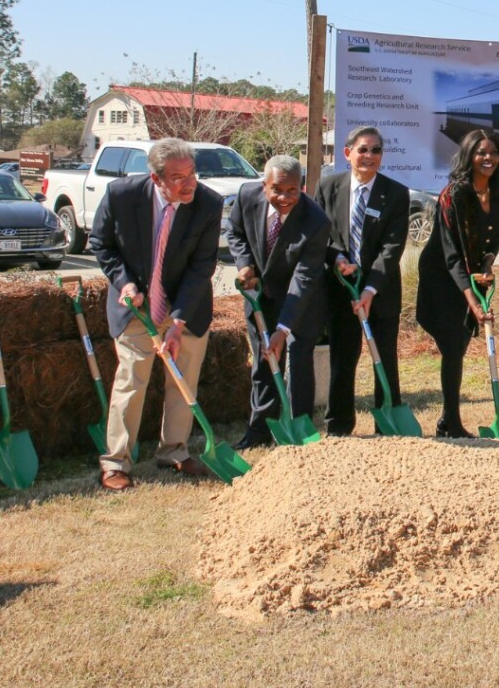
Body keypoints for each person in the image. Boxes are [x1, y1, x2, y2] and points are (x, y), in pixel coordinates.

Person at [88, 138, 223, 490]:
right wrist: (125, 284)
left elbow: (201, 267)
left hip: (187, 307)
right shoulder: (121, 195)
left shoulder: (208, 203)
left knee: (183, 381)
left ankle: (174, 451)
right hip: (136, 306)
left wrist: (177, 322)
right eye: (177, 177)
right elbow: (102, 244)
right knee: (132, 380)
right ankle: (116, 461)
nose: (189, 182)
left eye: (191, 173)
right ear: (155, 178)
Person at [227, 154, 330, 449]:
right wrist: (245, 264)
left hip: (302, 300)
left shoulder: (315, 221)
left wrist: (283, 329)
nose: (284, 198)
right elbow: (234, 232)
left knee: (298, 359)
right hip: (260, 298)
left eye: (292, 191)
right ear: (264, 186)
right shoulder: (246, 196)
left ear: (302, 187)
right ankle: (259, 431)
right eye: (277, 190)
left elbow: (305, 277)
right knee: (263, 363)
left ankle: (299, 428)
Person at [315, 126, 409, 436]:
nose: (369, 156)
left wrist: (370, 289)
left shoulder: (396, 193)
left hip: (380, 292)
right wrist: (337, 259)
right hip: (341, 291)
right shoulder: (327, 188)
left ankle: (388, 422)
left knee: (384, 358)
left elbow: (392, 247)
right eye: (363, 149)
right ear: (348, 153)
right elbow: (321, 237)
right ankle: (339, 426)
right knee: (343, 360)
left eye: (376, 150)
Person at [416, 129, 499, 438]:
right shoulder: (453, 194)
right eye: (481, 153)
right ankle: (451, 422)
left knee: (458, 345)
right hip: (442, 277)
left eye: (493, 153)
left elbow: (494, 237)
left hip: (471, 275)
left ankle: (447, 420)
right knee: (454, 345)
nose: (488, 158)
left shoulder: (498, 189)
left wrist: (486, 266)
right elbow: (451, 253)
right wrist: (471, 297)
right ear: (469, 155)